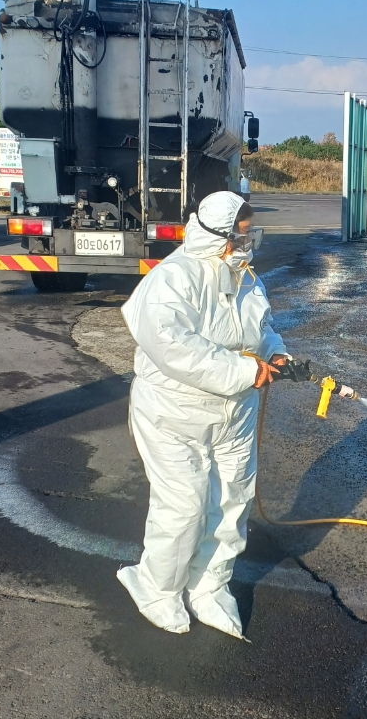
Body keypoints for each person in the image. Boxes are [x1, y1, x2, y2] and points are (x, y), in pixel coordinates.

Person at [118, 191, 288, 639]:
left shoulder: (245, 275)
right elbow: (173, 347)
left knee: (233, 501)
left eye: (250, 236)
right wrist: (244, 369)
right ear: (219, 236)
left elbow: (261, 326)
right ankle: (157, 587)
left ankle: (209, 586)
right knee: (185, 504)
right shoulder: (174, 278)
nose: (248, 245)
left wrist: (275, 352)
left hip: (234, 413)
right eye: (242, 236)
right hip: (173, 413)